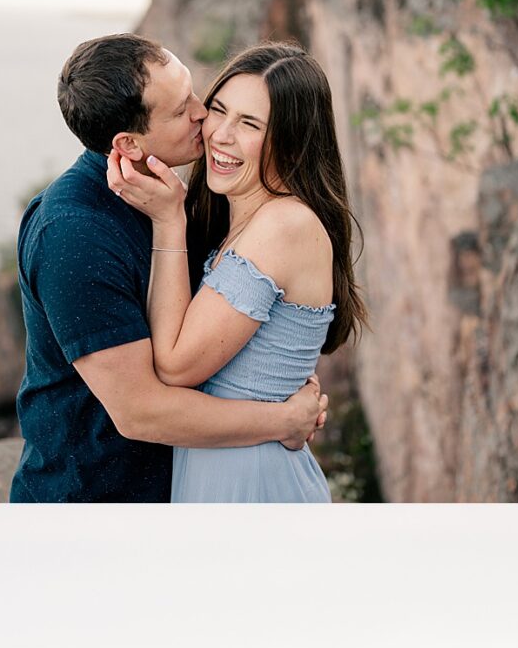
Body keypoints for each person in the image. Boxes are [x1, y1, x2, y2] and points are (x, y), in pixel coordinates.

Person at [10, 35, 327, 503]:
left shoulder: (172, 200)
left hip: (188, 490)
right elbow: (141, 411)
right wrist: (282, 420)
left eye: (197, 94)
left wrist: (284, 374)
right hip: (94, 506)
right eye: (182, 110)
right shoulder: (75, 234)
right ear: (129, 144)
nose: (203, 115)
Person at [109, 44, 368, 503]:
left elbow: (174, 366)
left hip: (254, 485)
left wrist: (168, 222)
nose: (220, 136)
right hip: (229, 472)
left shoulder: (284, 226)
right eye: (219, 111)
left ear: (292, 140)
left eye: (249, 124)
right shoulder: (248, 222)